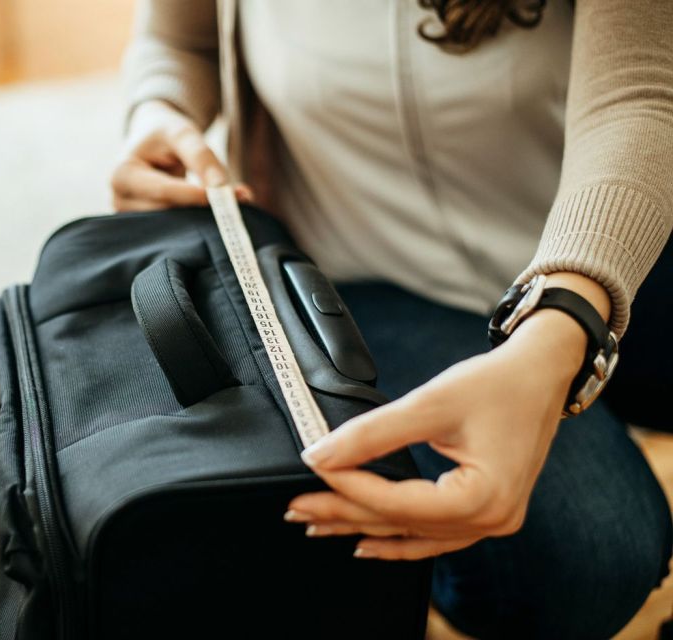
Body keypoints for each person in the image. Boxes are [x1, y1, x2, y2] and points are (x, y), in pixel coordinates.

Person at [111, 1, 673, 637]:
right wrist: (159, 109)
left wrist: (563, 321)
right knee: (585, 558)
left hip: (608, 239)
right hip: (366, 276)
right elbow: (179, 40)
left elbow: (638, 92)